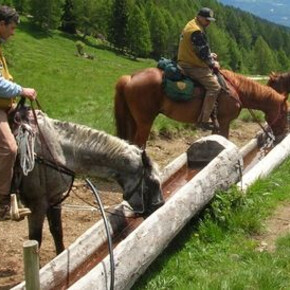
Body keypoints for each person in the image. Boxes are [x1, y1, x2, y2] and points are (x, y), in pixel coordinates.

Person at [0, 5, 37, 220]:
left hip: (4, 105)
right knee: (10, 148)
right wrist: (22, 90)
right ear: (1, 24)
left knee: (32, 124)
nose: (13, 32)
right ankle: (2, 201)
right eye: (12, 28)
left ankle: (19, 190)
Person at [177, 7, 221, 130]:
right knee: (215, 87)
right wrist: (213, 63)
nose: (209, 22)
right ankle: (203, 120)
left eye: (210, 20)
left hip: (186, 60)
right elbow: (203, 54)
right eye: (207, 20)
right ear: (200, 17)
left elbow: (199, 48)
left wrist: (209, 55)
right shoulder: (196, 31)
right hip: (191, 65)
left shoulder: (192, 24)